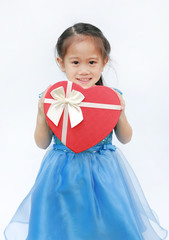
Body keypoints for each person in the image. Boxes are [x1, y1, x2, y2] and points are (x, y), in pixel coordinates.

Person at [4, 23, 168, 240]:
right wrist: (42, 114)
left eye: (92, 62)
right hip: (61, 174)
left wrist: (120, 111)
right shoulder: (56, 97)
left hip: (105, 173)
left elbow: (125, 138)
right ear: (61, 63)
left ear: (104, 63)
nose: (84, 70)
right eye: (75, 62)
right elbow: (42, 143)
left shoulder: (112, 98)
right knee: (63, 226)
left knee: (108, 225)